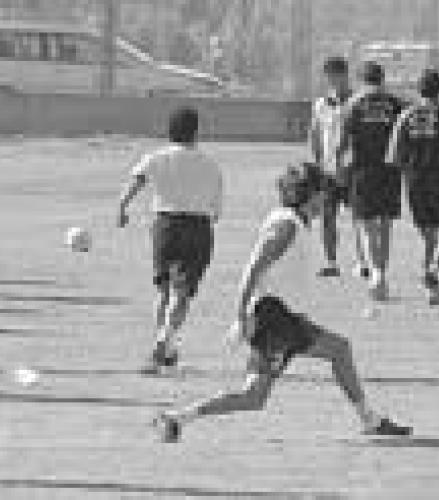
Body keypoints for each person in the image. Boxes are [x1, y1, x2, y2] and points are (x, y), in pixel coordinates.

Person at [154, 162, 411, 442]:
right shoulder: (286, 225)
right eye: (323, 193)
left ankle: (370, 420)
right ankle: (177, 417)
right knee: (257, 393)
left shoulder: (295, 222)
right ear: (310, 195)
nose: (326, 199)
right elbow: (253, 268)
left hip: (287, 319)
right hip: (274, 320)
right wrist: (241, 317)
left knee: (330, 355)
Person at [118, 107, 223, 374]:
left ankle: (166, 347)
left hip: (164, 226)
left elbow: (137, 180)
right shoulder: (210, 165)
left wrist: (122, 206)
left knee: (164, 290)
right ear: (196, 132)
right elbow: (216, 212)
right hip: (197, 227)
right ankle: (164, 341)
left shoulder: (157, 157)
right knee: (182, 293)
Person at [386, 68, 439, 304]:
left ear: (418, 90)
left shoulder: (405, 116)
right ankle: (432, 273)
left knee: (429, 239)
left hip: (415, 184)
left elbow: (393, 157)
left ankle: (432, 288)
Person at [337, 61, 404, 301]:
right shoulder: (396, 104)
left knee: (365, 225)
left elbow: (342, 143)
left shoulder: (352, 104)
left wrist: (339, 169)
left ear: (362, 80)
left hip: (363, 171)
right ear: (382, 79)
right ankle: (381, 273)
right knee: (385, 225)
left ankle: (375, 273)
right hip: (390, 171)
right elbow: (403, 138)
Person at [309, 56, 367, 278]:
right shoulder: (321, 104)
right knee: (327, 216)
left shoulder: (358, 102)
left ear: (345, 75)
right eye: (329, 77)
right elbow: (315, 135)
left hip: (353, 169)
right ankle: (331, 262)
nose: (332, 81)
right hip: (328, 170)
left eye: (336, 76)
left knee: (358, 217)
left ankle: (363, 262)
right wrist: (318, 164)